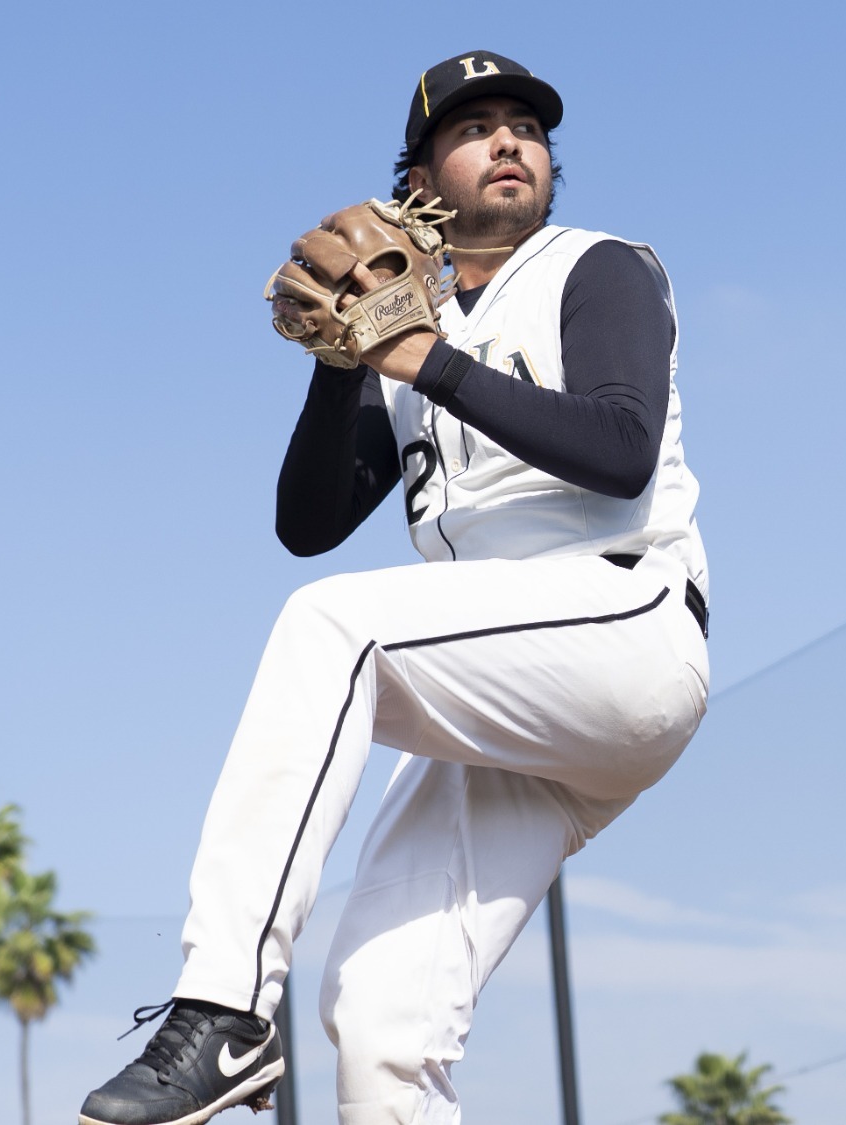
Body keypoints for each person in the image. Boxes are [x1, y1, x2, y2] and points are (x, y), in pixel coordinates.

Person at [76, 50, 711, 1125]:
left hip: (623, 630)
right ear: (416, 184)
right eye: (473, 129)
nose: (508, 140)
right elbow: (306, 524)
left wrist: (421, 358)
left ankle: (223, 1008)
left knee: (338, 628)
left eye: (525, 125)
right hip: (499, 697)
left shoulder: (591, 266)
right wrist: (342, 361)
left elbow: (620, 450)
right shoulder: (407, 334)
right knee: (380, 1026)